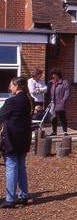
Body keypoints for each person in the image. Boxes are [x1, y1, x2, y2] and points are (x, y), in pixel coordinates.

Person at [1, 77, 33, 208]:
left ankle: (10, 199)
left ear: (17, 86)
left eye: (11, 85)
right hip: (24, 138)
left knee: (11, 167)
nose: (9, 88)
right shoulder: (29, 100)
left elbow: (1, 116)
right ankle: (23, 196)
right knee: (20, 167)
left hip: (12, 139)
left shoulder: (11, 101)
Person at [48, 69, 70, 136]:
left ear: (58, 75)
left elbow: (67, 92)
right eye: (52, 75)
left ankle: (65, 132)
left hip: (60, 102)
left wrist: (63, 101)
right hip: (52, 103)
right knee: (53, 118)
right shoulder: (51, 83)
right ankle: (54, 131)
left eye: (54, 74)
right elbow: (48, 92)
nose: (53, 76)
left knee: (62, 117)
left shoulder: (64, 82)